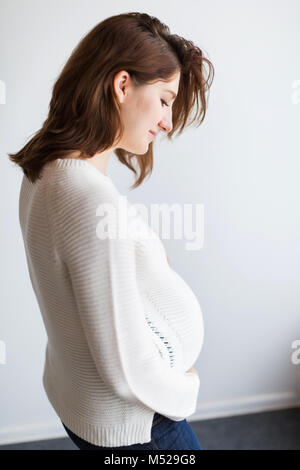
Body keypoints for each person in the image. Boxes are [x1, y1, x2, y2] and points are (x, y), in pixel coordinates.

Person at [8, 12, 214, 450]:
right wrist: (185, 389)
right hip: (143, 426)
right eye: (164, 100)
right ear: (122, 85)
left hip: (90, 407)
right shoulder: (87, 198)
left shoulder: (44, 169)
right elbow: (128, 371)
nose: (167, 121)